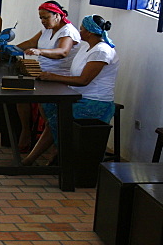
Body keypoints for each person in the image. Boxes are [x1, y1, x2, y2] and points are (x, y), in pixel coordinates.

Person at [22, 15, 119, 166]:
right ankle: (58, 147)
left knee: (58, 119)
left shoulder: (101, 51)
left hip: (94, 102)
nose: (79, 32)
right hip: (76, 95)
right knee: (47, 105)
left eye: (81, 29)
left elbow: (83, 80)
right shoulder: (86, 47)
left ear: (89, 32)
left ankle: (31, 159)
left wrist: (53, 77)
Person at [12, 0, 81, 152]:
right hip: (41, 73)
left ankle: (49, 140)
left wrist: (40, 51)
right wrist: (11, 48)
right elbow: (31, 42)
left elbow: (63, 52)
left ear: (57, 15)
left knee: (46, 108)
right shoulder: (47, 29)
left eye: (46, 18)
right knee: (19, 93)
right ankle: (26, 130)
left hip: (58, 77)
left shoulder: (68, 32)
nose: (43, 21)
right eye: (41, 18)